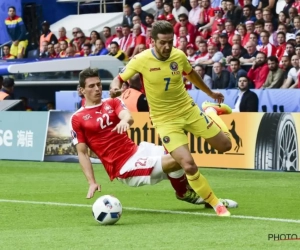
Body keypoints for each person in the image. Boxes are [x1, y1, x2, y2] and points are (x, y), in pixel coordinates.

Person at [110, 21, 234, 216]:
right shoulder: (141, 60)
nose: (167, 47)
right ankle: (216, 203)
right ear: (152, 42)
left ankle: (211, 111)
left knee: (226, 146)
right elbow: (119, 79)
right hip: (165, 120)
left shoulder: (178, 55)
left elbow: (191, 74)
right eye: (162, 43)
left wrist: (210, 93)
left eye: (170, 42)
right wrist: (114, 88)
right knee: (188, 164)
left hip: (188, 110)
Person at [70, 68, 238, 210]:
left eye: (99, 84)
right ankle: (186, 193)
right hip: (122, 166)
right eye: (91, 86)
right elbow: (82, 153)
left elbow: (128, 117)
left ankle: (201, 196)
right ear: (82, 90)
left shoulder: (112, 102)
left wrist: (124, 121)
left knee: (180, 154)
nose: (97, 89)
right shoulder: (78, 118)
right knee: (177, 160)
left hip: (137, 150)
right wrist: (92, 182)